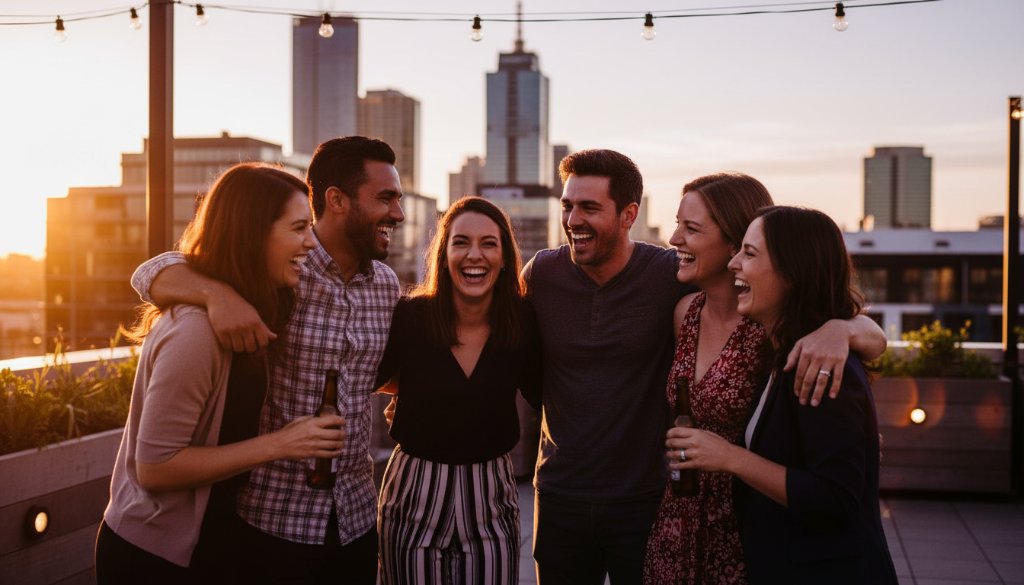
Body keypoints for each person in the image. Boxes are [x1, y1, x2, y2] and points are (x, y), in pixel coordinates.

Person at [523, 151, 886, 585]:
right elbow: (502, 335)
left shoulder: (725, 305)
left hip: (696, 512)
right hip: (611, 505)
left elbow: (829, 317)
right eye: (567, 205)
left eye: (590, 207)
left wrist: (843, 330)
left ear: (628, 215)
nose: (676, 238)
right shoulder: (556, 276)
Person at [128, 137, 404, 584]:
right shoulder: (284, 268)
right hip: (271, 521)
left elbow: (381, 369)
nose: (398, 213)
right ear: (336, 200)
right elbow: (148, 273)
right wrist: (215, 294)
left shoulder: (386, 286)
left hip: (355, 522)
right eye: (386, 198)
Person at [96, 163, 346, 584]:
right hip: (155, 556)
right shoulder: (195, 332)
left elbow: (151, 272)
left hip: (214, 542)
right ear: (253, 233)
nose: (310, 242)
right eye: (299, 228)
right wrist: (282, 444)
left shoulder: (260, 303)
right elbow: (155, 468)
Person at [642, 174, 887, 584]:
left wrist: (842, 330)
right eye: (677, 223)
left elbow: (835, 490)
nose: (674, 238)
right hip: (680, 520)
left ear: (735, 242)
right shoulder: (686, 312)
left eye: (692, 228)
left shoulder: (795, 341)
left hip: (751, 528)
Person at [374, 196, 541, 584]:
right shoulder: (412, 316)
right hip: (416, 488)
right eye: (461, 242)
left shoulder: (523, 323)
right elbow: (373, 375)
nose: (474, 255)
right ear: (444, 254)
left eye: (488, 243)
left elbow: (546, 392)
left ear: (504, 259)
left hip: (490, 495)